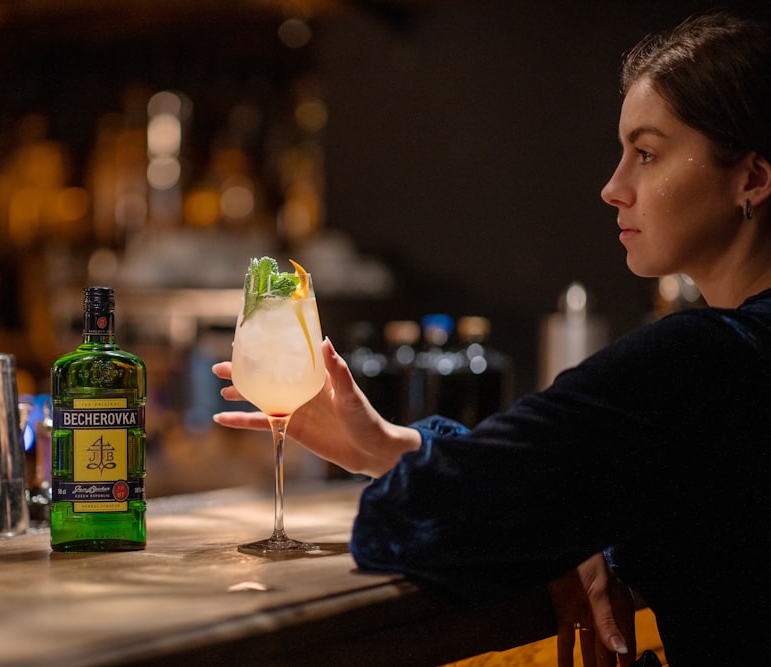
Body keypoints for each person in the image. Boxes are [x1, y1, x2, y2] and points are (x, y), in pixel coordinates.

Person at [212, 8, 771, 666]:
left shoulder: (703, 358)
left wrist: (546, 520)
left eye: (646, 154)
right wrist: (397, 448)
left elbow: (424, 524)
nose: (613, 187)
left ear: (753, 178)